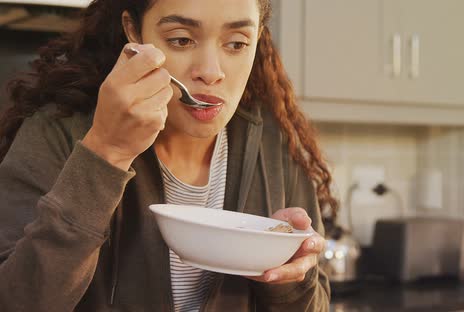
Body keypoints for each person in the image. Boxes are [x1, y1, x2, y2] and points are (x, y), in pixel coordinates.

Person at [0, 0, 338, 310]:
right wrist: (107, 152)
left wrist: (290, 280)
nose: (211, 71)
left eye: (236, 44)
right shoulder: (59, 132)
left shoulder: (274, 145)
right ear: (134, 32)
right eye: (181, 40)